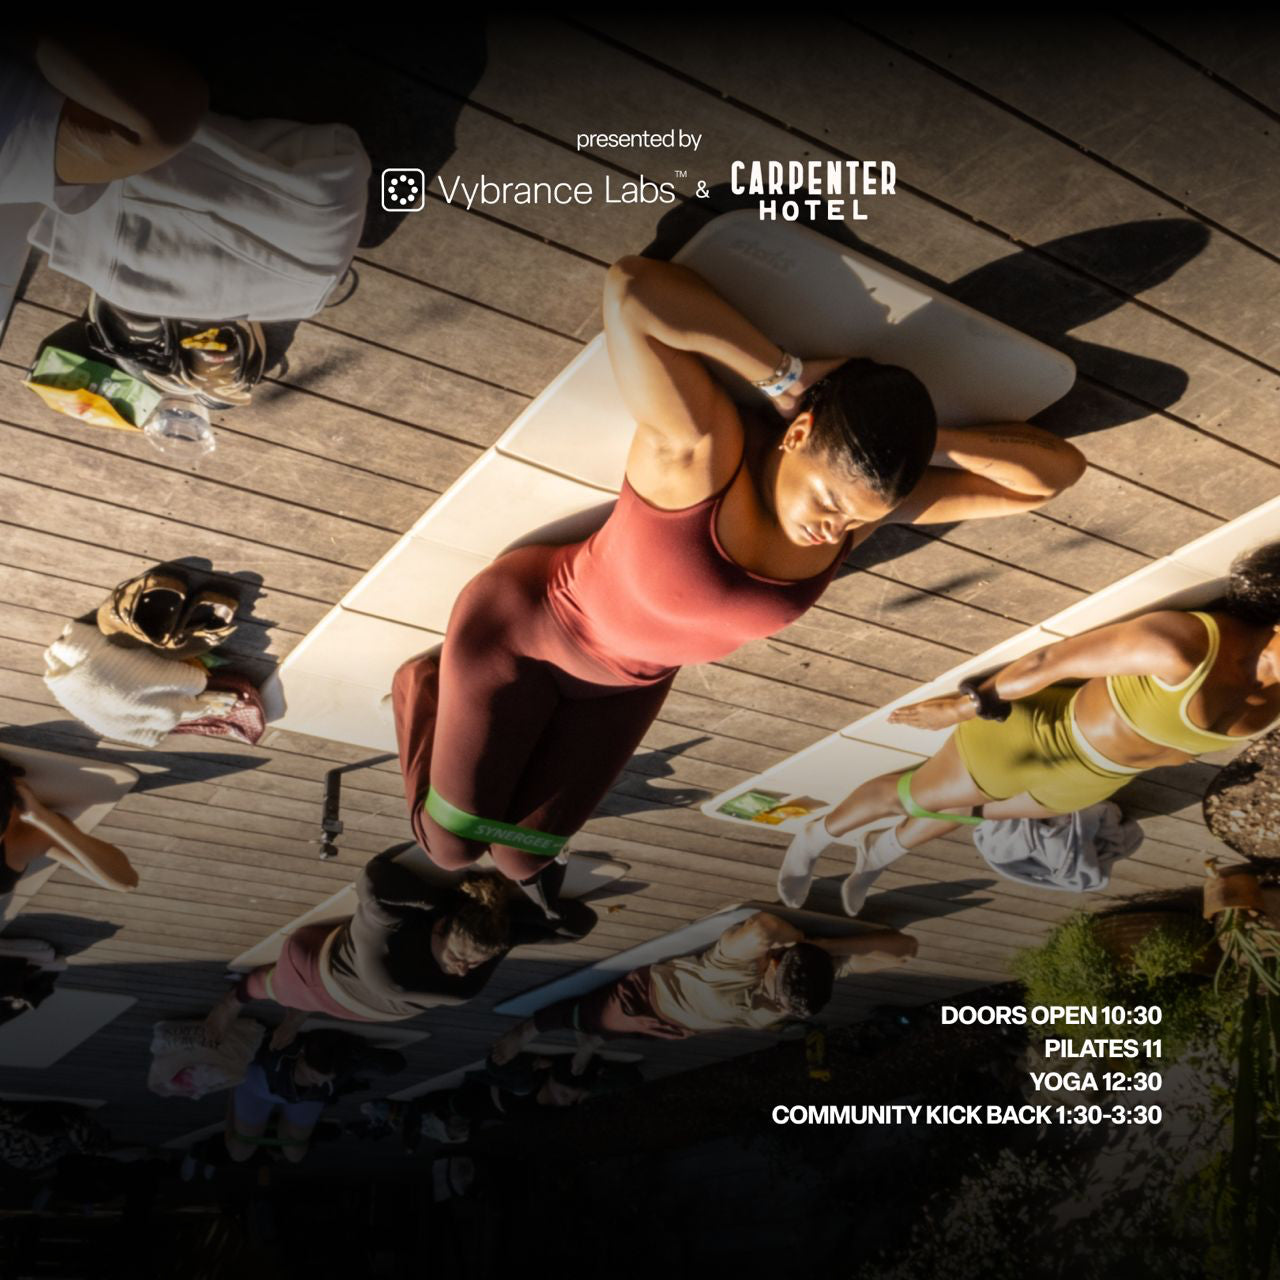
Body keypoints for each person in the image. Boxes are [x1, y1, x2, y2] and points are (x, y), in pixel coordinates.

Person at [393, 255, 1086, 914]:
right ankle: (423, 684)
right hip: (528, 634)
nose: (834, 529)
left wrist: (920, 442)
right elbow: (633, 290)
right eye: (828, 502)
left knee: (525, 860)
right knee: (453, 847)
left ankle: (482, 771)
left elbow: (1054, 478)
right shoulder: (701, 456)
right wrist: (785, 377)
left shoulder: (853, 516)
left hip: (632, 681)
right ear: (799, 433)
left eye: (856, 519)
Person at [778, 541, 1280, 915]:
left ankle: (876, 853)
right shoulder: (1187, 646)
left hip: (1093, 779)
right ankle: (814, 838)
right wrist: (962, 708)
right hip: (1039, 739)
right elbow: (1049, 660)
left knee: (971, 812)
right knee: (914, 797)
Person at [205, 850, 583, 1045]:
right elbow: (578, 926)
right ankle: (242, 1006)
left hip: (324, 975)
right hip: (364, 995)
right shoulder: (478, 965)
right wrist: (529, 911)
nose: (464, 969)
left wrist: (447, 903)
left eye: (475, 960)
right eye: (459, 958)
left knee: (271, 985)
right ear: (439, 929)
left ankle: (243, 1001)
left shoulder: (414, 945)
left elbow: (375, 883)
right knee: (282, 991)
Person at [490, 910, 918, 1056]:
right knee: (586, 1017)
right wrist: (821, 950)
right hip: (643, 1001)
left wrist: (818, 945)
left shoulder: (784, 984)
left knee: (603, 1033)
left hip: (680, 1027)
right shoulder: (753, 978)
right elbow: (904, 948)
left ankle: (590, 1041)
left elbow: (905, 952)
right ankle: (525, 1030)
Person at [223, 1028, 402, 1164]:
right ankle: (235, 1093)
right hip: (258, 1090)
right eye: (312, 1077)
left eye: (324, 1080)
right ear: (301, 1056)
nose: (317, 1083)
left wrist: (362, 1055)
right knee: (239, 1152)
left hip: (306, 1099)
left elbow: (396, 1064)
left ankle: (282, 1121)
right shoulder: (276, 1055)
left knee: (295, 1155)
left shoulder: (343, 1064)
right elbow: (240, 1050)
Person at [0, 758, 138, 897]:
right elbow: (126, 882)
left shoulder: (17, 844)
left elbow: (125, 881)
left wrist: (41, 817)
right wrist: (44, 819)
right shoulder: (17, 847)